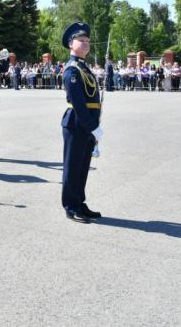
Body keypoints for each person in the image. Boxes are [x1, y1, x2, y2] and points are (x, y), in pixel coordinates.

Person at [60, 22, 103, 224]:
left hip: (86, 123)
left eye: (87, 41)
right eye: (81, 40)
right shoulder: (72, 69)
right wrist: (92, 127)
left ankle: (80, 202)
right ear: (71, 44)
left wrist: (94, 124)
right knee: (73, 167)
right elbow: (78, 103)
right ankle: (70, 206)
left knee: (83, 167)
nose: (86, 44)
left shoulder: (83, 67)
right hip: (77, 123)